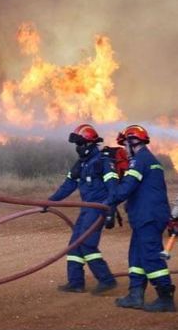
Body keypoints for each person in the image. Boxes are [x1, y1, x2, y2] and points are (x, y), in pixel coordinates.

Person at [106, 125, 175, 312]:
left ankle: (165, 297)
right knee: (136, 255)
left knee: (151, 256)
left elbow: (126, 188)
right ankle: (135, 295)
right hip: (146, 216)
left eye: (124, 145)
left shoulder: (140, 161)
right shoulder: (148, 160)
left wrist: (111, 178)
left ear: (132, 142)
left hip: (148, 216)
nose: (124, 150)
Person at [44, 124, 117, 294]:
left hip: (98, 208)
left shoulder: (103, 162)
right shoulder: (81, 164)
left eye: (81, 144)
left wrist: (110, 210)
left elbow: (113, 188)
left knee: (87, 243)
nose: (78, 148)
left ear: (90, 144)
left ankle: (106, 280)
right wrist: (50, 201)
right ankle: (76, 283)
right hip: (86, 209)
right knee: (75, 244)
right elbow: (68, 185)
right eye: (77, 144)